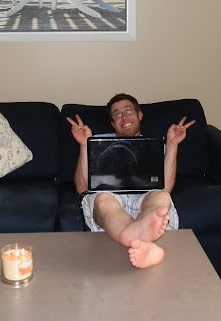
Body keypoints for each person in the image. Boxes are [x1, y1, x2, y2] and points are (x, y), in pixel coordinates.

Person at [67, 93, 195, 269]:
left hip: (145, 196)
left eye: (128, 111)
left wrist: (172, 145)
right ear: (113, 123)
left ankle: (136, 237)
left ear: (139, 115)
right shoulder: (98, 143)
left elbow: (165, 187)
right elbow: (82, 188)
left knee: (161, 198)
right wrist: (85, 145)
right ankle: (144, 241)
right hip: (110, 197)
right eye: (117, 114)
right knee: (103, 200)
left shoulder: (154, 146)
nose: (124, 117)